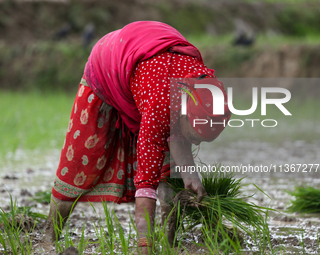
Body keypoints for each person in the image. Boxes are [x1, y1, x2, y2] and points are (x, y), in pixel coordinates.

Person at [44, 21, 231, 254]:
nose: (195, 143)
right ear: (182, 113)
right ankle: (48, 241)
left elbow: (176, 135)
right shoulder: (159, 108)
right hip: (108, 63)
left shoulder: (200, 84)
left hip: (147, 59)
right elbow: (146, 188)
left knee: (169, 172)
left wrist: (190, 175)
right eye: (193, 135)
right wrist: (145, 247)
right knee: (80, 162)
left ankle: (170, 243)